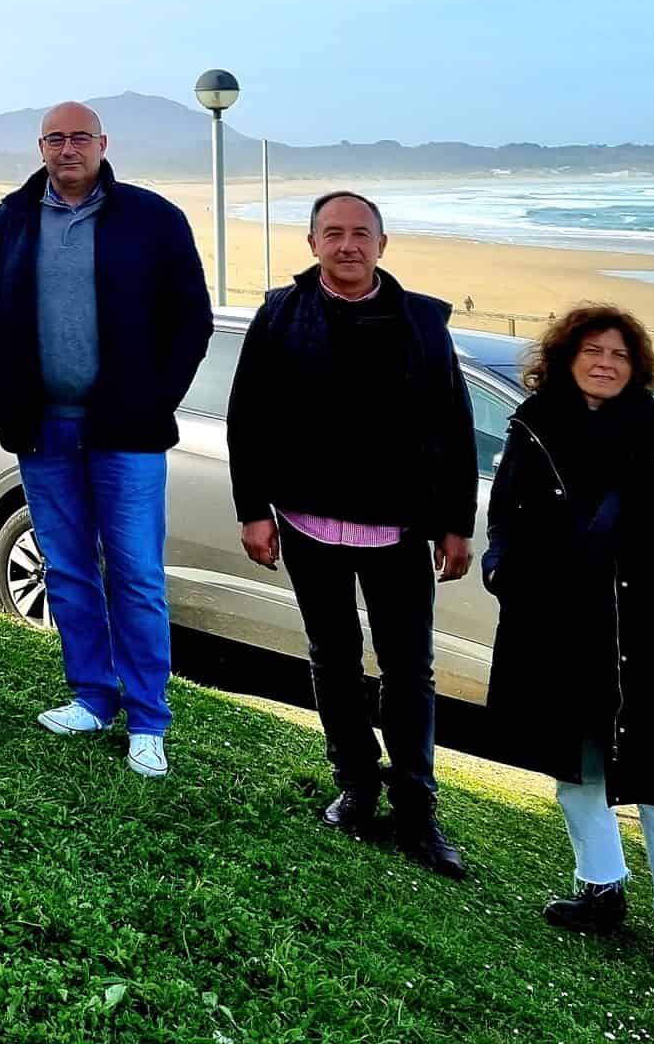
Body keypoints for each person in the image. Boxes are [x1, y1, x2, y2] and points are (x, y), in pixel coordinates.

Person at [227, 192, 476, 876]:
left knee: (408, 671)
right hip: (308, 522)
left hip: (399, 530)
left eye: (360, 234)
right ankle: (355, 787)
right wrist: (254, 509)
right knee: (332, 659)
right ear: (312, 244)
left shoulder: (423, 323)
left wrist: (456, 523)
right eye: (332, 233)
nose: (347, 245)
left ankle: (418, 810)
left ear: (382, 244)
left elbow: (453, 427)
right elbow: (247, 418)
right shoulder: (279, 314)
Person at [0, 101, 210, 778]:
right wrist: (3, 391)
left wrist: (155, 399)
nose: (67, 148)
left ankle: (149, 718)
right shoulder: (8, 220)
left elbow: (192, 320)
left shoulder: (153, 219)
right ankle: (92, 697)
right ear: (41, 146)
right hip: (42, 430)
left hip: (127, 433)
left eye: (79, 138)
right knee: (67, 567)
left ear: (103, 144)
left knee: (134, 574)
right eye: (55, 138)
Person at [484, 306, 654, 993]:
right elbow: (504, 521)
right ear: (566, 358)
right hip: (554, 635)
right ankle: (601, 891)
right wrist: (501, 572)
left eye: (619, 354)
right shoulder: (534, 428)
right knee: (576, 772)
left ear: (635, 365)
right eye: (592, 350)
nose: (605, 362)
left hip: (642, 642)